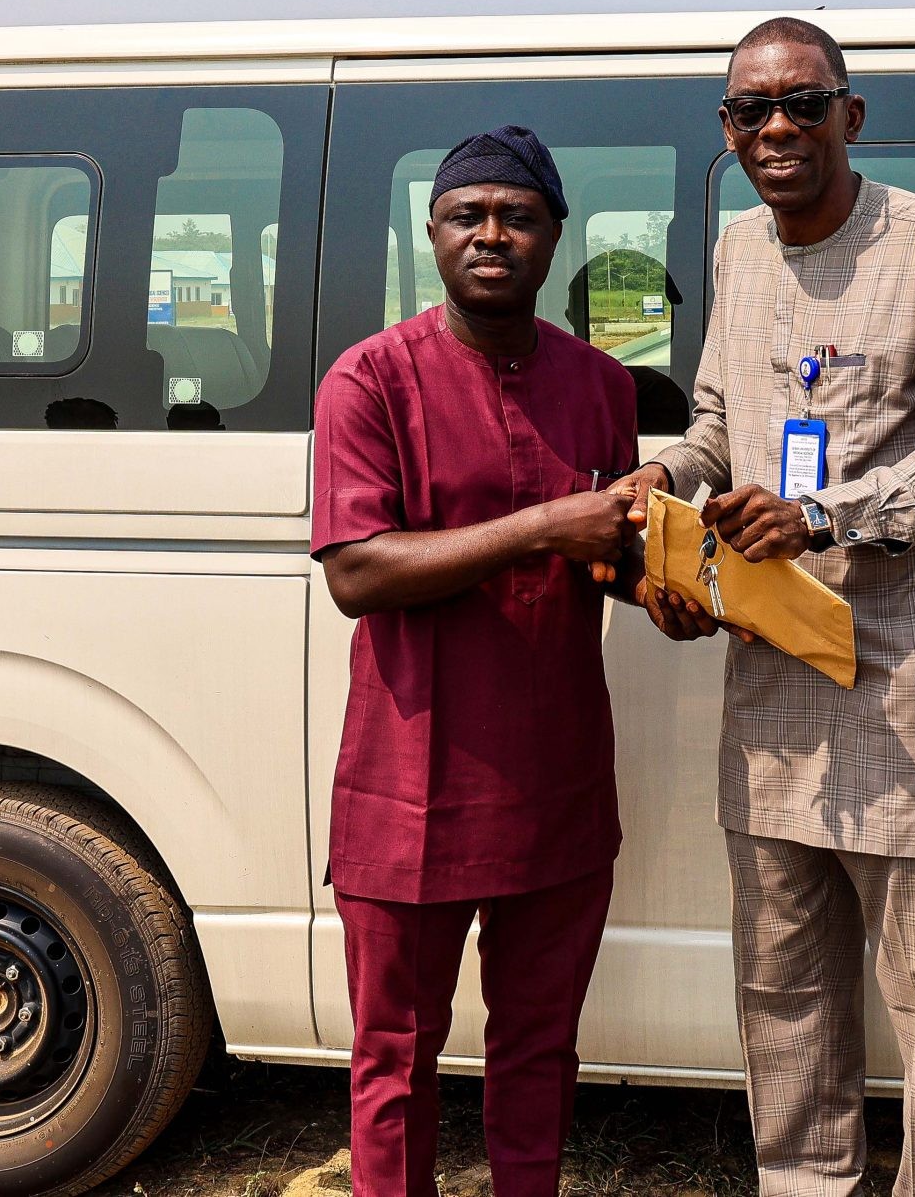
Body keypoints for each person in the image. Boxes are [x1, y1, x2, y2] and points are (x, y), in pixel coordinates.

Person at [624, 17, 915, 1197]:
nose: (778, 129)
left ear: (851, 115)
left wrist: (828, 516)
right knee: (783, 992)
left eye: (803, 104)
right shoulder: (740, 251)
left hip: (903, 682)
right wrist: (668, 479)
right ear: (728, 133)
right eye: (752, 111)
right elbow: (714, 419)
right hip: (772, 683)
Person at [312, 124, 640, 1197]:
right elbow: (357, 572)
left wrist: (667, 591)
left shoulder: (601, 387)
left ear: (554, 239)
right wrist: (546, 524)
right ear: (432, 233)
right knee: (394, 1057)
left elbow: (608, 553)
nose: (491, 235)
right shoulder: (368, 380)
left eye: (518, 217)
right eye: (468, 216)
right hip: (411, 788)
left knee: (539, 1052)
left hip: (557, 786)